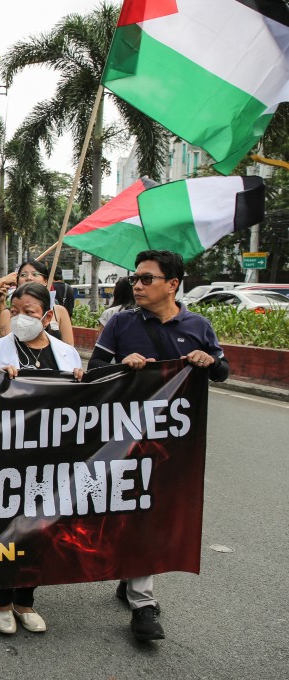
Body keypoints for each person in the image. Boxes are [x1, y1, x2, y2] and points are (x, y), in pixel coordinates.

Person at [88, 249, 228, 642]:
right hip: (125, 438)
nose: (137, 285)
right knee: (133, 510)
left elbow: (222, 371)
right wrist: (121, 365)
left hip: (175, 441)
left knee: (155, 513)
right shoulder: (120, 324)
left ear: (172, 284)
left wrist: (206, 360)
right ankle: (139, 592)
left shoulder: (198, 325)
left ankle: (138, 591)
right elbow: (95, 370)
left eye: (147, 278)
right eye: (135, 278)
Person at [0, 282, 84, 636]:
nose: (21, 319)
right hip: (5, 459)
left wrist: (83, 383)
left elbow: (82, 409)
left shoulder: (68, 354)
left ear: (48, 316)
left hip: (51, 460)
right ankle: (1, 602)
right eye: (15, 311)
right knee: (6, 530)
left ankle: (26, 602)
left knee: (40, 532)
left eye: (30, 313)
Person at [0, 259, 75, 346]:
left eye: (35, 274)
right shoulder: (7, 314)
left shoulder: (60, 311)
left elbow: (69, 348)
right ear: (17, 281)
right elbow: (5, 348)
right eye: (23, 275)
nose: (29, 278)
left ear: (45, 281)